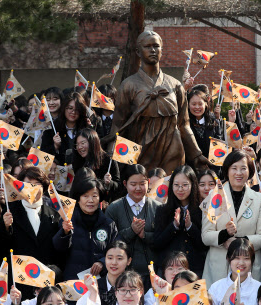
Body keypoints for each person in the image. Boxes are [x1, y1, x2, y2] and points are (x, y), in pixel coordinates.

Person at [102, 31, 208, 173]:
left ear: (161, 50)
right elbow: (118, 124)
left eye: (156, 46)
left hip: (173, 150)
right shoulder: (128, 85)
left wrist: (196, 154)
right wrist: (111, 154)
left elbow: (184, 124)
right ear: (138, 51)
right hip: (141, 151)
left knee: (171, 190)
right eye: (147, 46)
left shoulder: (175, 85)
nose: (152, 50)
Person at [202, 150, 261, 284]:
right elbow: (206, 236)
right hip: (218, 269)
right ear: (227, 170)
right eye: (234, 168)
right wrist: (224, 236)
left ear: (250, 171)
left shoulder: (258, 199)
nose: (238, 173)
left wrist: (239, 243)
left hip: (248, 270)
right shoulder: (214, 195)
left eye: (243, 168)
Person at [0, 167, 61, 282]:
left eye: (37, 184)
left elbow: (59, 250)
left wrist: (66, 232)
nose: (32, 188)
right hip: (19, 278)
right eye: (28, 184)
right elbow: (0, 247)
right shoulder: (10, 211)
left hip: (45, 277)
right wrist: (5, 227)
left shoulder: (53, 214)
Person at [105, 165, 160, 287]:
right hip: (122, 276)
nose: (138, 188)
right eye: (133, 184)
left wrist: (144, 235)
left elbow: (162, 239)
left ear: (148, 182)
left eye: (142, 183)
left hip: (152, 275)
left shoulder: (158, 208)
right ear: (125, 184)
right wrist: (131, 231)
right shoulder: (114, 208)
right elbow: (109, 241)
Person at [53, 178, 118, 280]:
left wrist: (102, 262)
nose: (90, 200)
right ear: (78, 199)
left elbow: (116, 251)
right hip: (73, 280)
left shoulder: (109, 224)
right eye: (85, 196)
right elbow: (58, 249)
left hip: (100, 281)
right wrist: (65, 232)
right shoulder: (67, 220)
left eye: (94, 196)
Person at [154, 165, 206, 276]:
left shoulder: (202, 210)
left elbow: (204, 245)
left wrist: (190, 227)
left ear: (193, 185)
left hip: (193, 270)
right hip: (169, 271)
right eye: (176, 185)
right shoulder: (162, 210)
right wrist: (173, 226)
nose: (180, 189)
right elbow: (157, 244)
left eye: (185, 185)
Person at [208, 238, 261, 305]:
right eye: (236, 258)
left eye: (246, 258)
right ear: (228, 259)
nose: (241, 263)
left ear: (252, 260)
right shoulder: (216, 287)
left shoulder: (259, 288)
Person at [72, 128, 121, 202]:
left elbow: (118, 186)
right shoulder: (77, 160)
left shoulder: (108, 160)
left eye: (82, 143)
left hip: (103, 204)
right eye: (77, 144)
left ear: (93, 142)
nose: (79, 147)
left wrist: (108, 183)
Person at [41, 92, 89, 166]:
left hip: (82, 172)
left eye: (77, 109)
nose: (73, 112)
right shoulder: (52, 129)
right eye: (70, 108)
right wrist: (55, 146)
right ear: (64, 108)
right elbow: (43, 155)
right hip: (58, 173)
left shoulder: (86, 129)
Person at [186, 88, 223, 160]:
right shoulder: (185, 123)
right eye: (194, 104)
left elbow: (220, 146)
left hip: (212, 166)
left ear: (206, 104)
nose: (197, 107)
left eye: (200, 104)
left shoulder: (214, 121)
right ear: (188, 104)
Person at [98, 241, 132, 305]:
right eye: (110, 258)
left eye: (119, 259)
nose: (114, 263)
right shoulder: (95, 286)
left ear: (129, 261)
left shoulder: (134, 288)